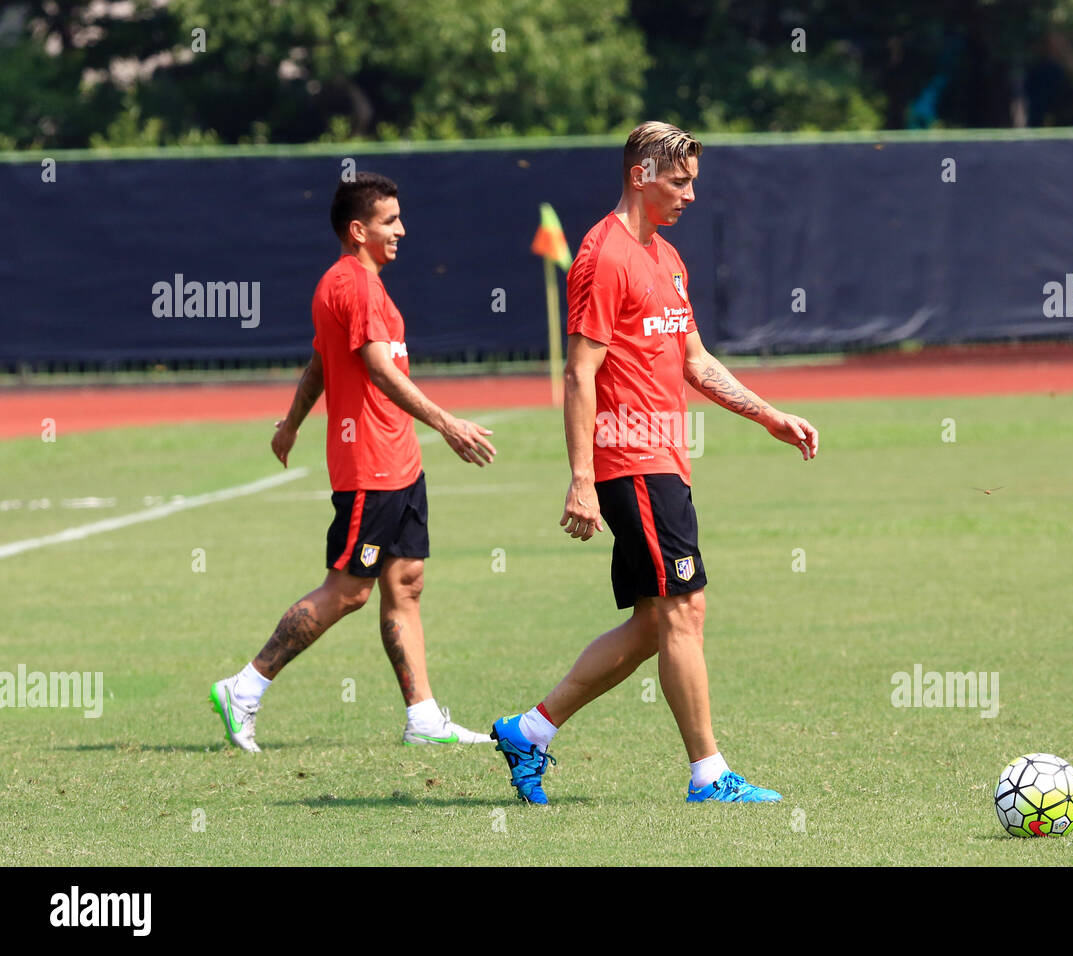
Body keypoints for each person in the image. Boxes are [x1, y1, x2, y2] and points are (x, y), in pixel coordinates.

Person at [489, 122, 820, 804]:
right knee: (685, 610)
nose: (691, 194)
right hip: (630, 461)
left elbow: (694, 360)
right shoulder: (602, 255)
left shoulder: (667, 258)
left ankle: (530, 730)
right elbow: (581, 374)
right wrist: (582, 480)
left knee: (652, 624)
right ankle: (709, 775)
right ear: (642, 175)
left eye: (693, 180)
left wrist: (768, 415)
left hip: (666, 461)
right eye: (680, 180)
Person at [210, 172, 498, 752]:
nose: (402, 230)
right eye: (390, 221)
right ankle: (244, 687)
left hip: (401, 464)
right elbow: (378, 369)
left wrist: (290, 424)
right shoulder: (356, 288)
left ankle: (423, 718)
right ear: (358, 229)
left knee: (406, 584)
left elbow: (321, 362)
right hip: (370, 466)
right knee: (348, 590)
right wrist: (447, 423)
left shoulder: (348, 285)